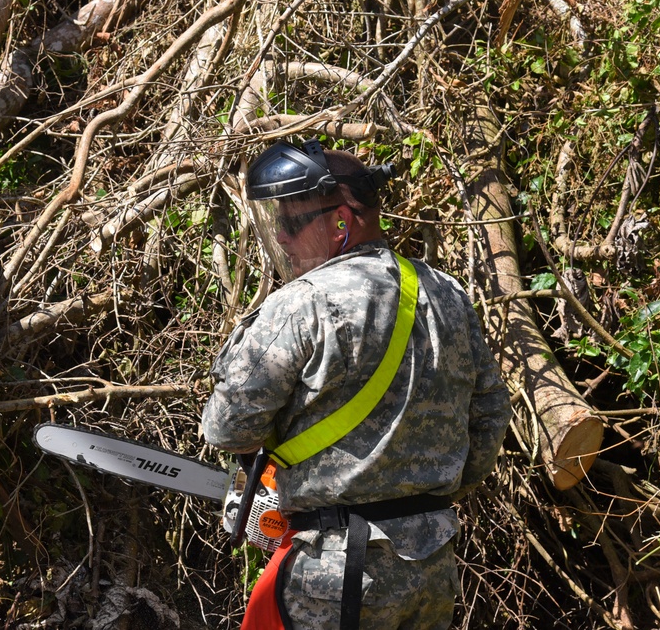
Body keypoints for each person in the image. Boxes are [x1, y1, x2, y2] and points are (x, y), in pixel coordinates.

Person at [202, 138, 512, 629]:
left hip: (337, 575)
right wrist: (428, 494)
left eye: (292, 220)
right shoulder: (446, 293)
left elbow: (227, 427)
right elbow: (492, 412)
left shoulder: (303, 303)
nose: (281, 236)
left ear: (342, 220)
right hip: (430, 568)